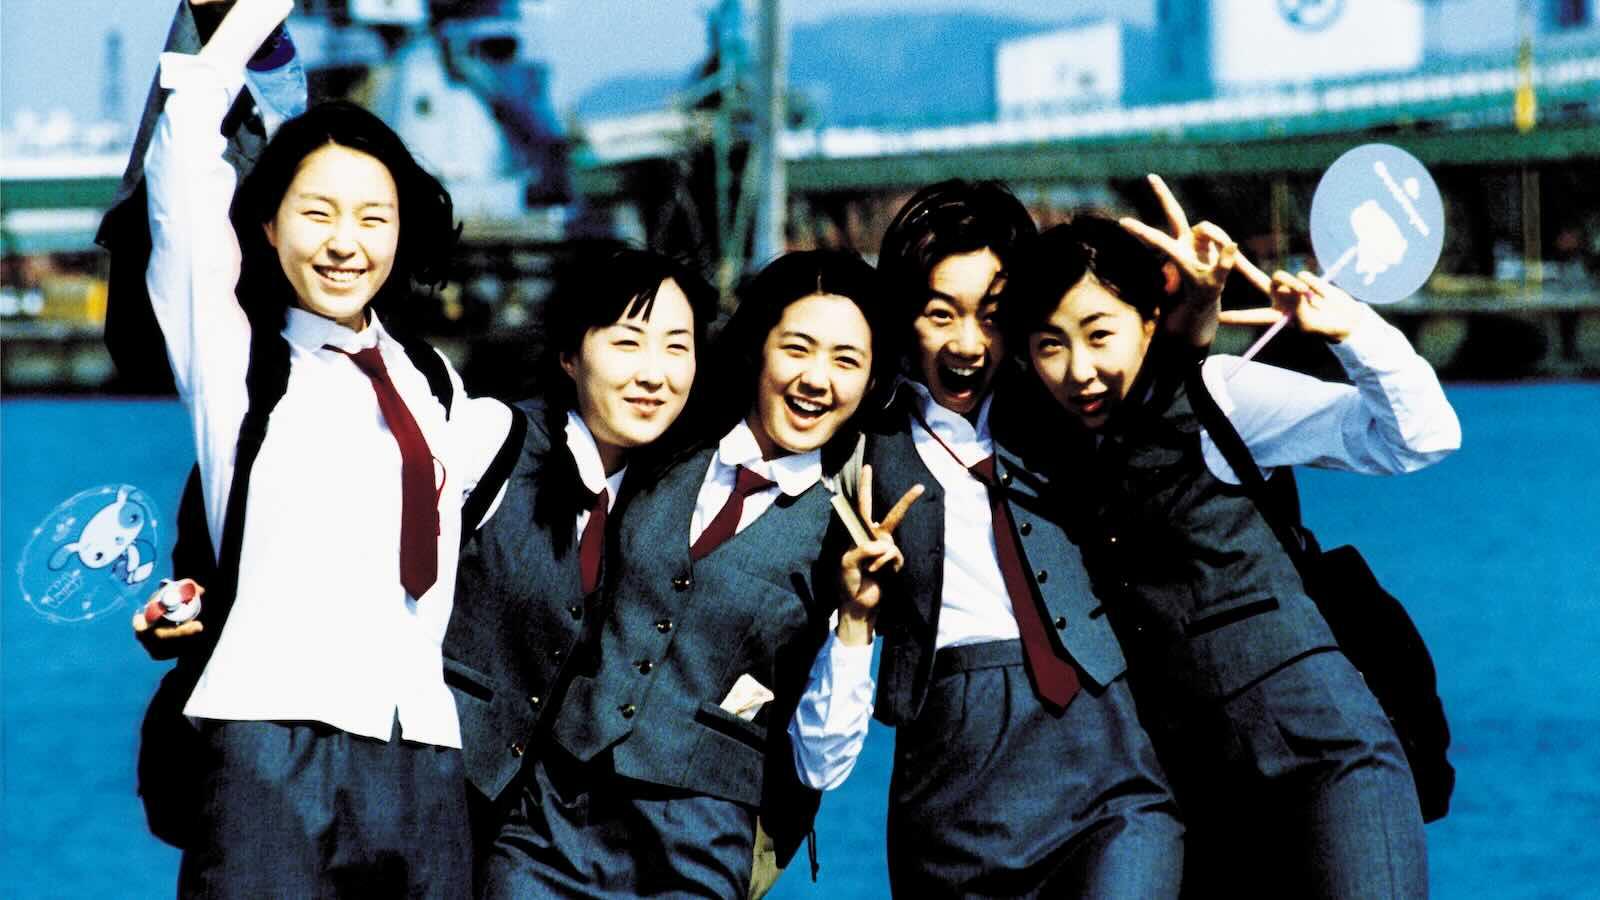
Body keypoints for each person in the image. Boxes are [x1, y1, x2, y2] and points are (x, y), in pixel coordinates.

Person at [135, 0, 512, 893]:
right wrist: (242, 29)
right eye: (317, 214)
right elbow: (182, 164)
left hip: (421, 752)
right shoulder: (236, 360)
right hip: (270, 747)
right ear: (266, 226)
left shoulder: (438, 386)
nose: (347, 243)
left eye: (373, 218)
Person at [1010, 191, 1462, 897]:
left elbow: (1420, 437)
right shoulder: (1055, 450)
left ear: (1148, 321)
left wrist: (1353, 332)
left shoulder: (1221, 393)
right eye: (1050, 345)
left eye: (1100, 334)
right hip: (1207, 802)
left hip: (1331, 764)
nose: (1079, 369)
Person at [794, 179, 1185, 898]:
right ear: (903, 318)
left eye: (994, 315)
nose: (968, 344)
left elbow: (1172, 418)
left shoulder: (1069, 407)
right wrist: (855, 616)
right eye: (940, 314)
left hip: (1109, 758)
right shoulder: (856, 453)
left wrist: (1196, 314)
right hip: (953, 788)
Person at [482, 250, 906, 898]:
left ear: (873, 382)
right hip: (554, 818)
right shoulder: (657, 445)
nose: (817, 378)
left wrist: (855, 621)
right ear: (757, 349)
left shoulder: (841, 539)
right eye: (798, 348)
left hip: (698, 847)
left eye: (846, 360)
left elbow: (821, 762)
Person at [444, 245, 717, 860]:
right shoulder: (494, 440)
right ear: (570, 355)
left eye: (677, 347)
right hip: (427, 796)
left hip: (550, 846)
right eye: (627, 343)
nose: (655, 373)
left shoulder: (678, 498)